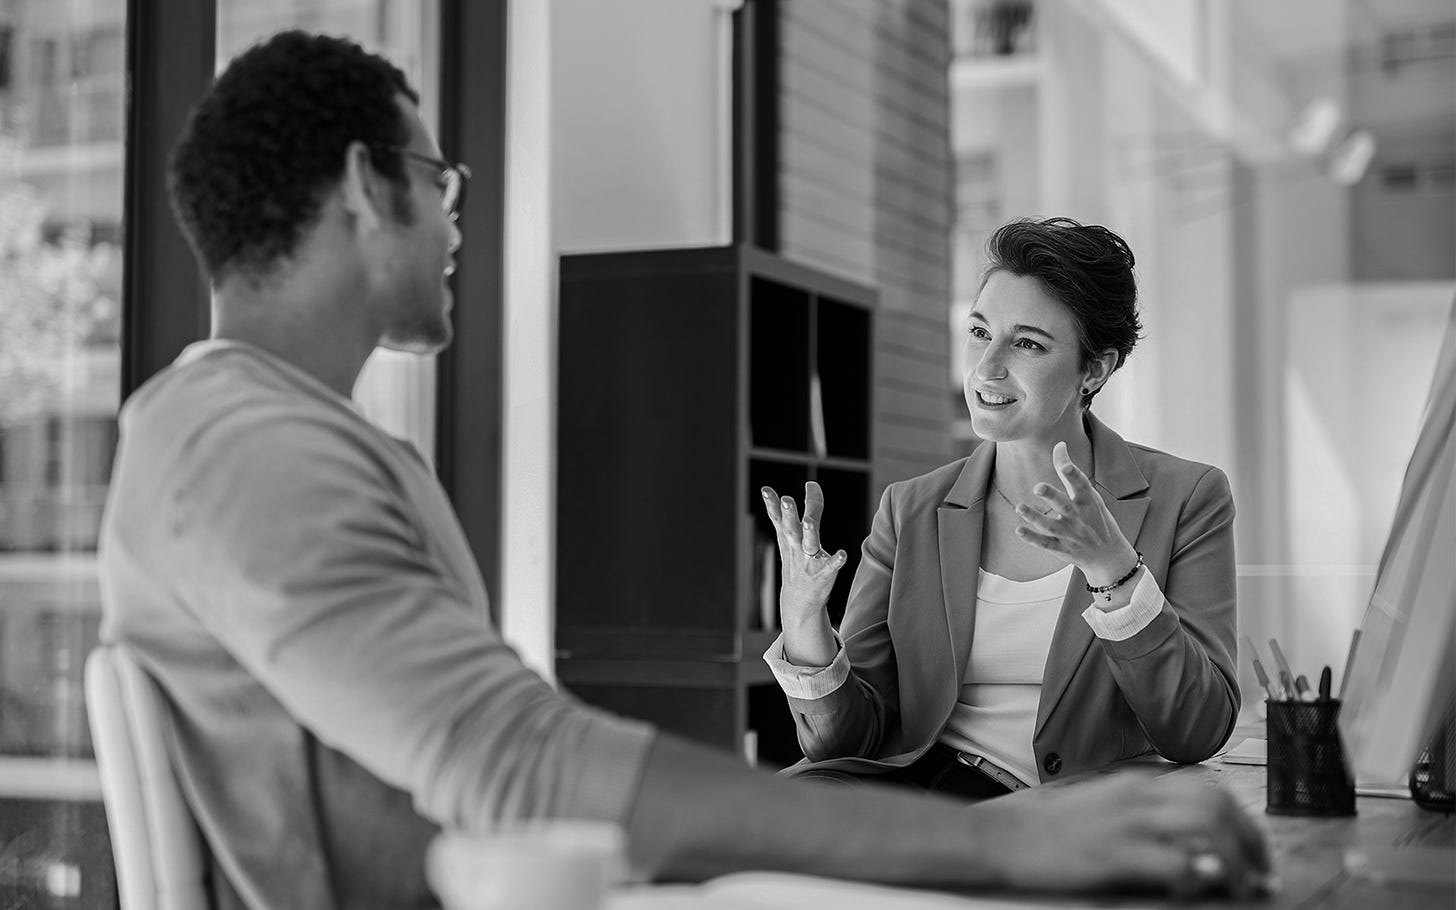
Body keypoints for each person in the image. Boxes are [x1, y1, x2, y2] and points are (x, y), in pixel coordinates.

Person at [98, 31, 1269, 910]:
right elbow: (515, 759)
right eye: (438, 180)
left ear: (1093, 365)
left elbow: (490, 760)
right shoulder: (240, 445)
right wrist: (1002, 844)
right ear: (365, 185)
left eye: (1028, 341)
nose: (459, 220)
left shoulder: (296, 439)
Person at [760, 217, 1240, 799]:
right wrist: (806, 625)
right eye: (980, 331)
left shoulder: (1187, 499)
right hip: (917, 799)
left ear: (1096, 368)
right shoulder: (910, 510)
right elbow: (851, 741)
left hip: (1057, 820)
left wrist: (1115, 572)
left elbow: (1198, 731)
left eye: (1028, 343)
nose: (987, 367)